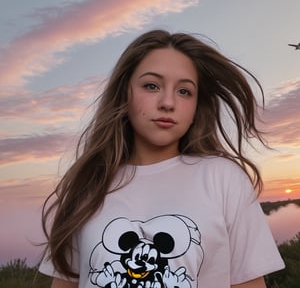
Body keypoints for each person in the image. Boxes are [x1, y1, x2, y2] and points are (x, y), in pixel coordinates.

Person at [39, 29, 285, 288]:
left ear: (196, 105)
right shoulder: (88, 184)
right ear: (125, 93)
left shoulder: (224, 179)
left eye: (184, 91)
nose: (168, 102)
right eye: (151, 86)